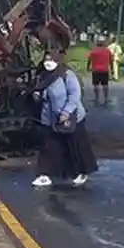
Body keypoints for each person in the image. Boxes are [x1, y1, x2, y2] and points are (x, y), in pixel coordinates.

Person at [31, 51, 98, 188]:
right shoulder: (43, 76)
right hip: (50, 118)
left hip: (71, 116)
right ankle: (45, 175)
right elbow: (41, 90)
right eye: (46, 60)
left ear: (58, 61)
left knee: (75, 145)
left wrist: (66, 112)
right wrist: (37, 95)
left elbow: (75, 94)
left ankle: (81, 172)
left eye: (51, 60)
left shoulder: (66, 74)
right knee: (48, 146)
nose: (48, 63)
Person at [86, 40, 114, 105]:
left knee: (96, 85)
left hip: (95, 70)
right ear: (103, 44)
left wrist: (87, 68)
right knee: (105, 84)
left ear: (97, 44)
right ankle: (106, 98)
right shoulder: (107, 51)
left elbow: (89, 60)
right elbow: (111, 61)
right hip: (105, 70)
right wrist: (112, 69)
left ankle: (96, 98)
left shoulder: (93, 51)